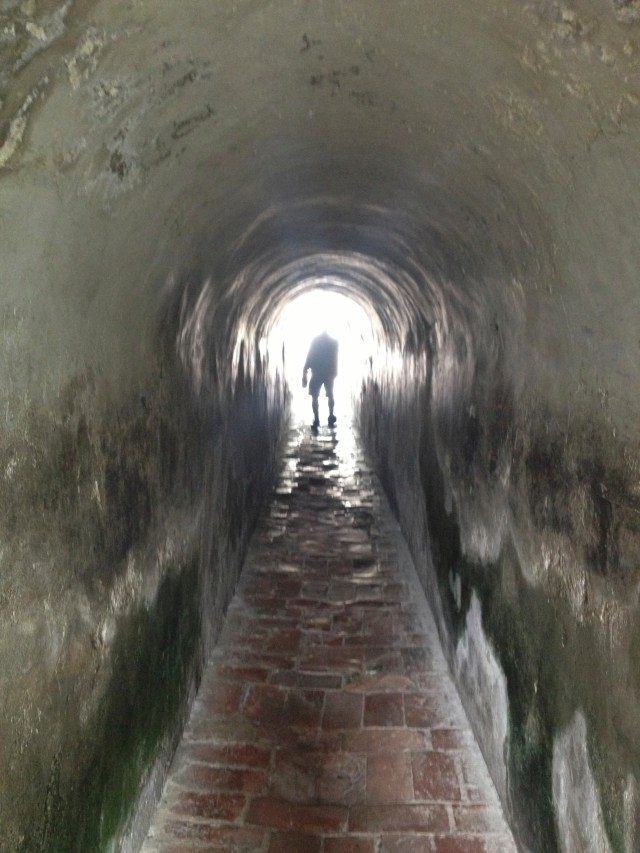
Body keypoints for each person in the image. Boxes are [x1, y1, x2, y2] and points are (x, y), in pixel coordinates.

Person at [302, 330, 338, 429]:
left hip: (316, 373)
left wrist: (304, 373)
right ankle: (331, 416)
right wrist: (335, 372)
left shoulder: (315, 342)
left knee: (314, 397)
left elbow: (309, 357)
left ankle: (316, 419)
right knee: (330, 395)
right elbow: (335, 358)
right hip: (328, 373)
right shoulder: (333, 342)